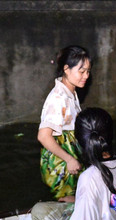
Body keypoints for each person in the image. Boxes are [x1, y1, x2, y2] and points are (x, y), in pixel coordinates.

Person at [38, 45, 91, 202]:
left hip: (70, 153)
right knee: (66, 202)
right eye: (81, 71)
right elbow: (43, 136)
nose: (86, 75)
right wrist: (69, 159)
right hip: (60, 161)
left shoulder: (70, 91)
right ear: (66, 69)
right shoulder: (58, 99)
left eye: (88, 71)